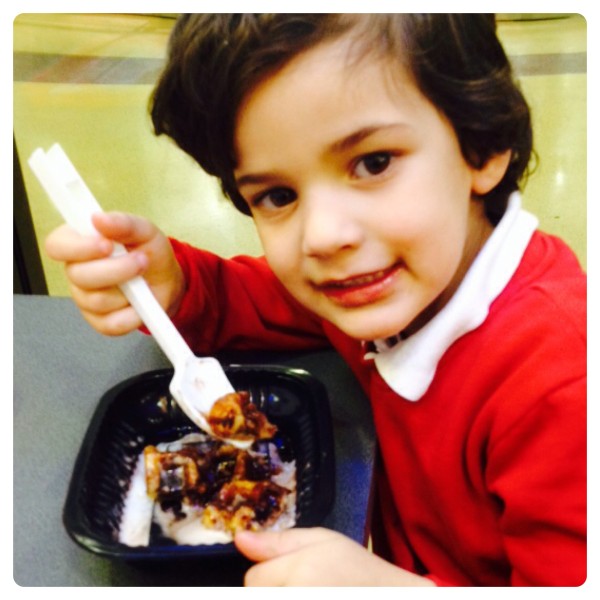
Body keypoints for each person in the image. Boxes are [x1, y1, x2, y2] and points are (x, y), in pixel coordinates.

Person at [45, 14, 586, 586]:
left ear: (482, 145)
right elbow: (257, 301)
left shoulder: (560, 386)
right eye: (279, 195)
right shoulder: (381, 281)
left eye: (374, 162)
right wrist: (175, 286)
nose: (323, 236)